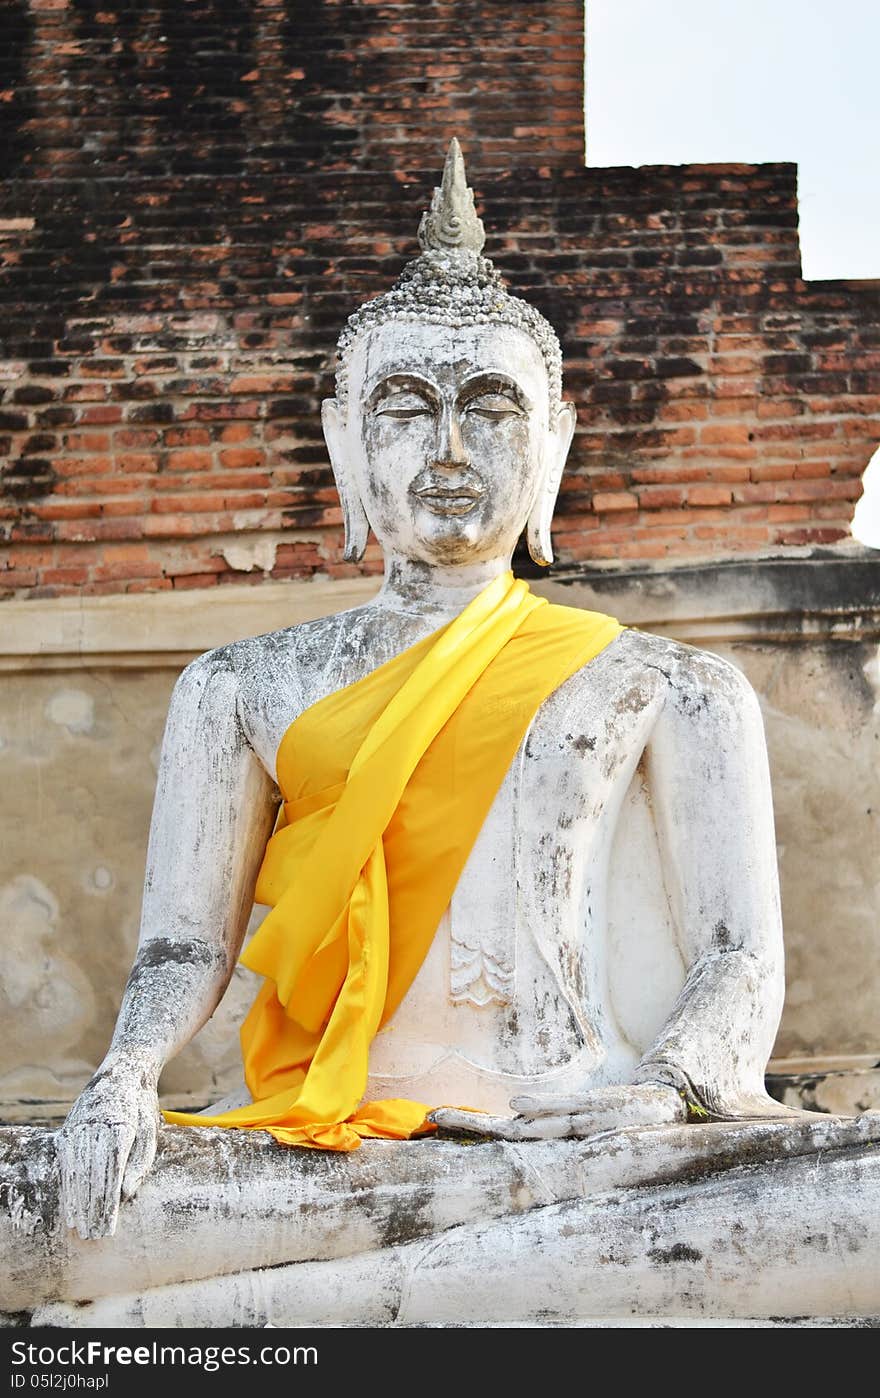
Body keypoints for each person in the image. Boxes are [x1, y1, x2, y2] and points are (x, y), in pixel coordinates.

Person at [21, 144, 872, 1328]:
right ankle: (474, 1278)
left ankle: (267, 1316)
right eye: (406, 410)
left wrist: (670, 1093)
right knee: (37, 1199)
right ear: (343, 444)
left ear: (555, 445)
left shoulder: (671, 685)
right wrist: (119, 1083)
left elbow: (736, 959)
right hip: (322, 1146)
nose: (451, 452)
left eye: (490, 409)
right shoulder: (241, 685)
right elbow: (180, 949)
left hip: (573, 1128)